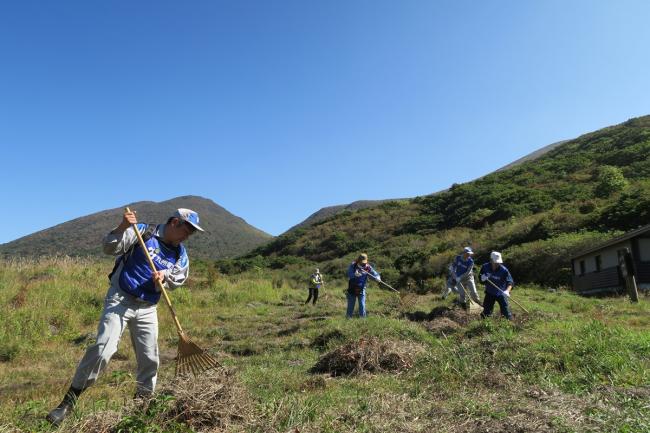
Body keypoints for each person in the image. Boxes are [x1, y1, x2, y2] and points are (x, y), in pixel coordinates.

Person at [46, 208, 203, 426]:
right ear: (175, 222)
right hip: (121, 298)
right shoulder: (143, 232)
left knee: (150, 359)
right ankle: (67, 404)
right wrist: (122, 227)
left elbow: (179, 276)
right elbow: (109, 247)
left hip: (148, 307)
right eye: (187, 229)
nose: (189, 235)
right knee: (103, 349)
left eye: (192, 233)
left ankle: (141, 408)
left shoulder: (180, 253)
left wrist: (164, 277)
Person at [479, 251, 514, 320]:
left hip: (501, 293)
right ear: (491, 260)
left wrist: (507, 291)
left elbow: (510, 282)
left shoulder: (504, 270)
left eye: (498, 262)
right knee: (486, 312)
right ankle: (485, 324)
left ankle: (510, 323)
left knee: (506, 311)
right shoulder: (485, 267)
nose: (497, 264)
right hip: (490, 292)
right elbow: (480, 277)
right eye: (495, 262)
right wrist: (482, 279)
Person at [346, 253, 380, 318]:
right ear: (358, 260)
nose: (363, 263)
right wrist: (354, 275)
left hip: (361, 288)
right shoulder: (353, 265)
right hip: (352, 287)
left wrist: (378, 277)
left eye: (364, 262)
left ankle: (363, 320)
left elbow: (375, 274)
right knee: (351, 304)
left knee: (362, 304)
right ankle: (348, 318)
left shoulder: (368, 267)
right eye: (361, 262)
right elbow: (349, 273)